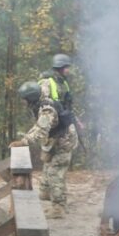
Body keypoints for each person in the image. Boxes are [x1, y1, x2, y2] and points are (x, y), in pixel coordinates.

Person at [9, 81, 78, 219]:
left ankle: (58, 208)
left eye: (25, 99)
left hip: (64, 142)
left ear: (31, 98)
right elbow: (38, 126)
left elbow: (41, 130)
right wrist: (26, 138)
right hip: (55, 140)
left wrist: (24, 142)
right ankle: (48, 195)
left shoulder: (47, 110)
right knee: (47, 166)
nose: (23, 102)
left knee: (55, 173)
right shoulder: (40, 101)